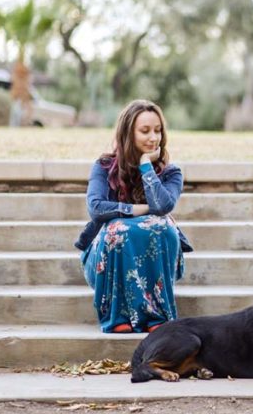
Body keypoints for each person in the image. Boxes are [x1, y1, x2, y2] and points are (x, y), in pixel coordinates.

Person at [78, 100, 185, 333]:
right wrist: (139, 210)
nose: (153, 138)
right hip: (104, 263)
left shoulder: (171, 172)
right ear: (128, 133)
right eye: (145, 131)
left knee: (164, 227)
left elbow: (162, 206)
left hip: (155, 264)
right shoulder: (104, 166)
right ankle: (116, 315)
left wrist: (146, 166)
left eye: (158, 130)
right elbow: (96, 208)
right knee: (118, 228)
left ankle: (157, 315)